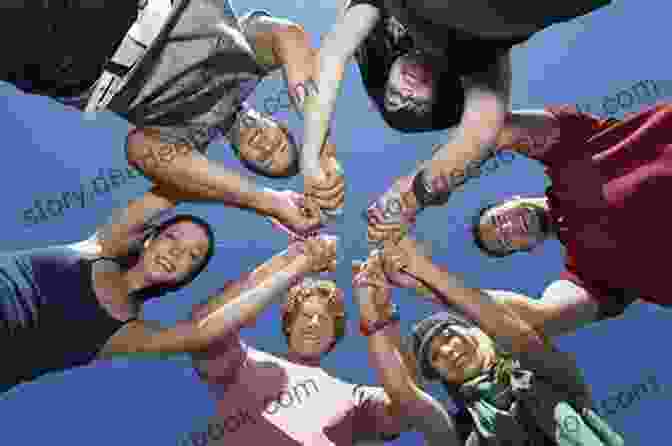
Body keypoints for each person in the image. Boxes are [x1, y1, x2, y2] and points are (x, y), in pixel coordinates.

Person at [1, 0, 344, 235]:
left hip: (74, 65)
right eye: (280, 142)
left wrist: (270, 202)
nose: (266, 145)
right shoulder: (251, 61)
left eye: (264, 159)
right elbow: (289, 36)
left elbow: (140, 151)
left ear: (241, 158)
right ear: (278, 124)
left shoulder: (185, 140)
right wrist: (320, 149)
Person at [302, 0, 610, 242]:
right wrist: (412, 195)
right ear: (443, 89)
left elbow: (332, 57)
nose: (406, 93)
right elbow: (481, 131)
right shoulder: (475, 55)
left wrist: (312, 155)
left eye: (395, 96)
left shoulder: (382, 17)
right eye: (417, 102)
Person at [1, 186, 337, 394]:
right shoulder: (99, 247)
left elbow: (204, 330)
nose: (177, 253)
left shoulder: (122, 333)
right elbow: (175, 185)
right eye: (173, 238)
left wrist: (297, 262)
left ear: (186, 275)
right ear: (148, 239)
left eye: (192, 256)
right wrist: (271, 203)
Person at [350, 239, 625, 445]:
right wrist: (375, 313)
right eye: (435, 357)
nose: (447, 350)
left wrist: (422, 270)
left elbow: (502, 323)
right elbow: (405, 393)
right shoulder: (462, 431)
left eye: (449, 335)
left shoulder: (544, 375)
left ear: (480, 336)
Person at [180, 263, 418, 445]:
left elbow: (409, 405)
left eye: (324, 320)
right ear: (289, 325)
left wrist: (384, 314)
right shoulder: (242, 361)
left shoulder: (353, 395)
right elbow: (202, 327)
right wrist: (293, 264)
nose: (313, 324)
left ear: (334, 335)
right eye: (305, 316)